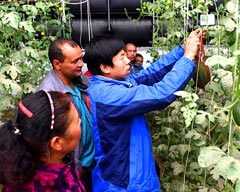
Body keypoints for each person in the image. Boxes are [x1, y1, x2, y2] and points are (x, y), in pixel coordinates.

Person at [83, 28, 206, 191]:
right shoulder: (109, 95)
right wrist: (188, 58)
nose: (128, 60)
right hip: (124, 184)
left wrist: (182, 49)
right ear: (105, 67)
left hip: (135, 176)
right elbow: (160, 94)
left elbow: (150, 74)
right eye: (122, 57)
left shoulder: (115, 83)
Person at [36, 38, 95, 191]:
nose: (81, 64)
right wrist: (73, 167)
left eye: (81, 58)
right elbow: (50, 142)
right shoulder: (49, 94)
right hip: (76, 168)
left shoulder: (80, 79)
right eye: (75, 61)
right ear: (57, 64)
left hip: (92, 163)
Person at [0, 90, 86, 191]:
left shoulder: (20, 164)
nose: (80, 121)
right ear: (57, 142)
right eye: (76, 122)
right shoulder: (56, 186)